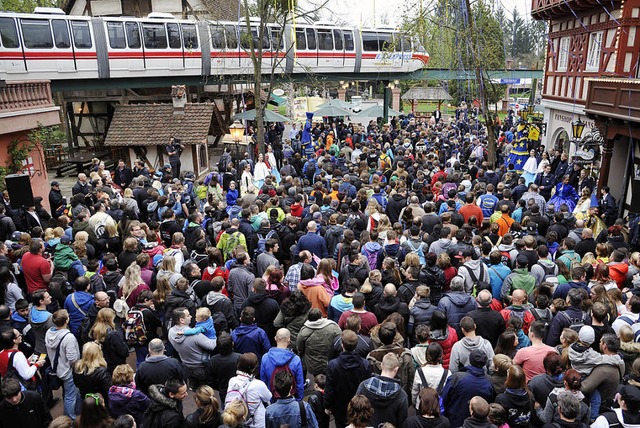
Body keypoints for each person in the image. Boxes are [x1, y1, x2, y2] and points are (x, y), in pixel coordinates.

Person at [325, 330, 373, 428]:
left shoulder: (333, 365)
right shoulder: (365, 364)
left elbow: (329, 388)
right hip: (360, 405)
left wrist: (327, 405)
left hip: (339, 406)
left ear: (342, 345)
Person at [442, 349, 494, 428]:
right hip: (478, 424)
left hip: (455, 421)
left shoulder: (457, 378)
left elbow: (445, 399)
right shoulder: (489, 381)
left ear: (470, 360)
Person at [356, 352, 409, 428]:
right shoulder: (402, 395)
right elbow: (402, 423)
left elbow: (356, 411)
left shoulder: (363, 386)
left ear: (381, 365)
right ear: (396, 369)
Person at [168, 307, 217, 389]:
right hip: (201, 367)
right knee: (204, 390)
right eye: (188, 315)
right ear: (181, 320)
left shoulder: (171, 332)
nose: (191, 316)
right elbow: (212, 346)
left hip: (186, 365)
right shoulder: (195, 335)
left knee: (194, 388)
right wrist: (215, 337)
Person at [45, 309, 80, 419]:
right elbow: (73, 358)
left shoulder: (49, 332)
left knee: (67, 394)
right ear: (67, 320)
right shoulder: (69, 337)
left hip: (56, 368)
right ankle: (70, 418)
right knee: (70, 396)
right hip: (67, 370)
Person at [226, 352, 272, 428]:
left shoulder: (232, 381)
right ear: (254, 368)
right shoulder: (258, 384)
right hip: (256, 423)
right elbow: (268, 397)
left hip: (237, 421)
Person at [261, 328, 304, 402]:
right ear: (289, 340)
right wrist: (298, 400)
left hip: (272, 398)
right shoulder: (296, 359)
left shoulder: (265, 357)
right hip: (290, 398)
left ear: (275, 338)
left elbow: (263, 381)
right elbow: (299, 383)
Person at [297, 308, 341, 378]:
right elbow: (339, 341)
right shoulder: (333, 327)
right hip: (329, 361)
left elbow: (300, 348)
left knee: (317, 379)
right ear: (321, 317)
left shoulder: (304, 331)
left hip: (312, 363)